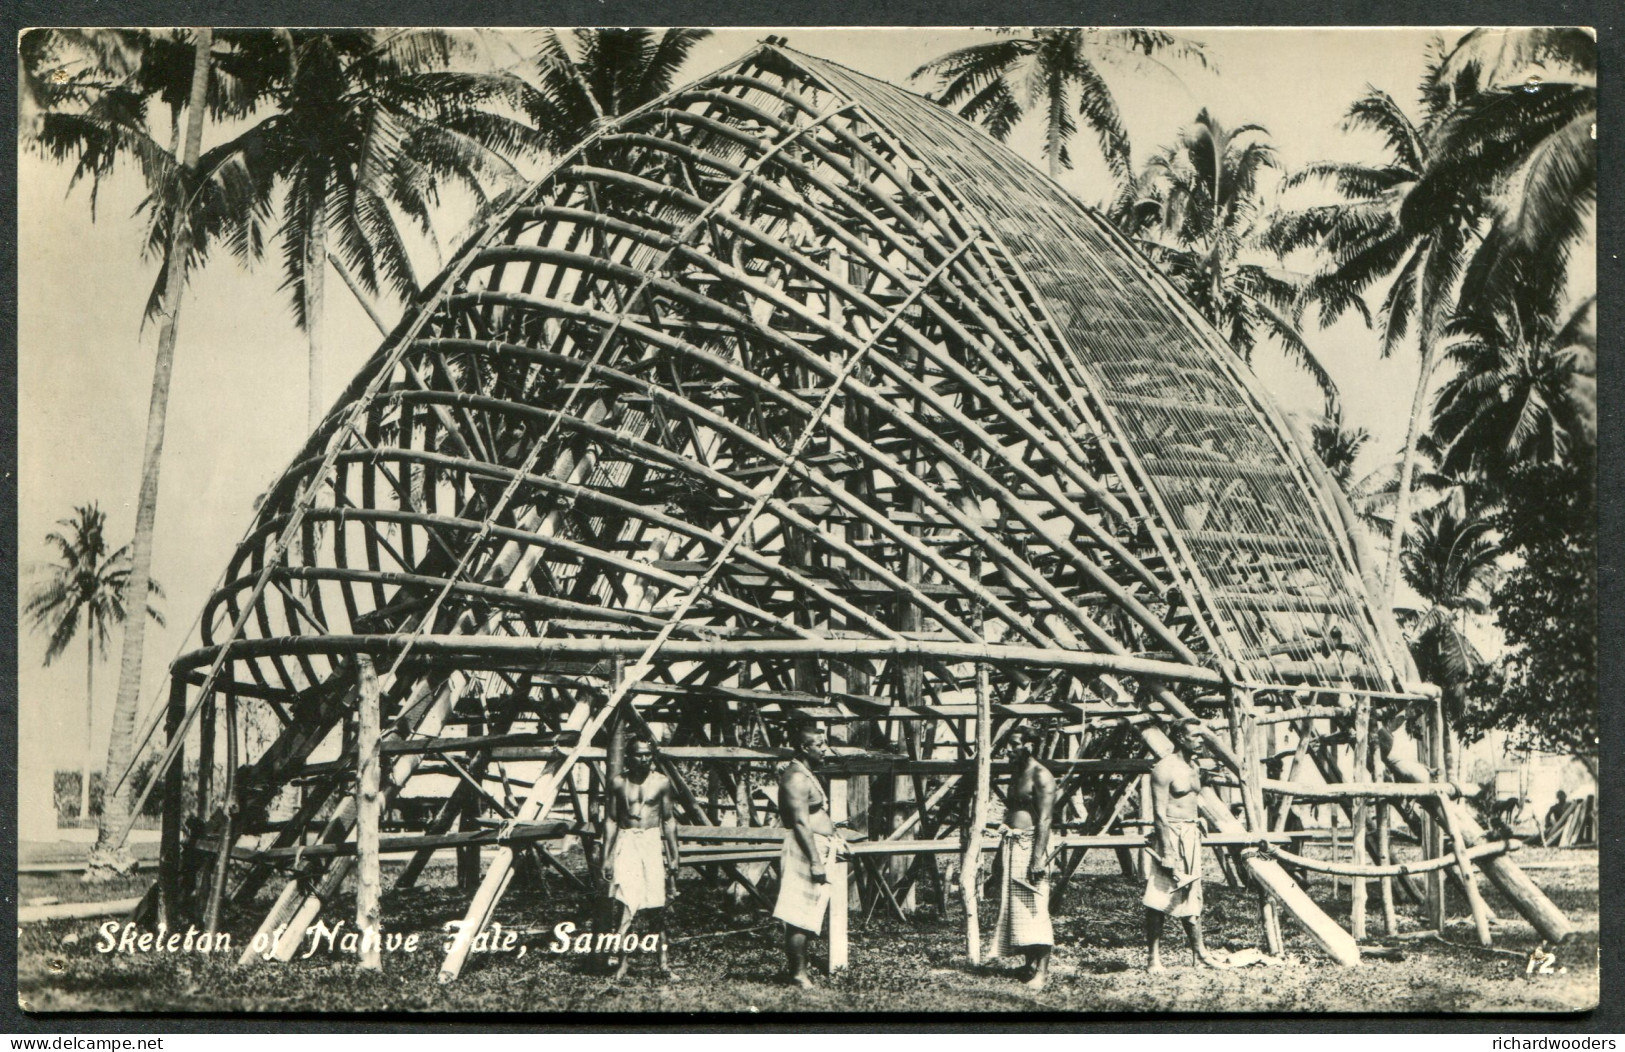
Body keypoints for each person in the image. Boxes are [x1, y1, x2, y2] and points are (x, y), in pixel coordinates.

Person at [1144, 718, 1226, 971]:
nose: (1201, 740)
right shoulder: (1164, 769)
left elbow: (1191, 800)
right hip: (1169, 834)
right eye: (1195, 736)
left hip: (1190, 834)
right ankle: (1153, 959)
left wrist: (1199, 821)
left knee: (1192, 894)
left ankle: (1199, 954)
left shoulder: (1194, 767)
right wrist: (1167, 851)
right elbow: (1159, 814)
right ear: (1180, 738)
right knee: (1159, 897)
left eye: (1202, 735)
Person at [604, 734, 680, 978]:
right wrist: (606, 857)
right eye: (639, 754)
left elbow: (668, 820)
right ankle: (623, 963)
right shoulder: (618, 783)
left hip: (651, 841)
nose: (644, 759)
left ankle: (664, 965)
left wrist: (674, 855)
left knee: (657, 905)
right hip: (627, 840)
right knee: (626, 902)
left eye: (648, 754)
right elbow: (611, 820)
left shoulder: (661, 782)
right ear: (629, 756)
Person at [774, 721, 842, 988]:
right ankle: (798, 974)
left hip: (816, 845)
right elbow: (801, 823)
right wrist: (815, 861)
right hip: (804, 848)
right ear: (804, 747)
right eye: (819, 745)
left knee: (809, 912)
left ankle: (800, 971)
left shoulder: (806, 773)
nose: (824, 749)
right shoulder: (796, 778)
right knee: (798, 915)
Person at [992, 725, 1056, 988]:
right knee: (1020, 907)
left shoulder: (1041, 775)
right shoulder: (1017, 772)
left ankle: (1042, 971)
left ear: (1029, 746)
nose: (1008, 750)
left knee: (1036, 907)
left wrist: (1038, 858)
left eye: (1014, 744)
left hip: (1032, 845)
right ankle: (1029, 964)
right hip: (1013, 843)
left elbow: (1045, 819)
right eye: (1008, 745)